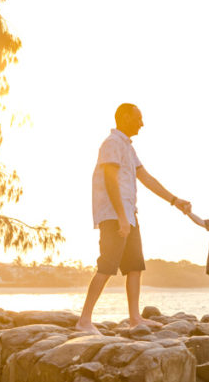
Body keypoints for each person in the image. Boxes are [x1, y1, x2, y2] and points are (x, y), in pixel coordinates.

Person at [76, 103, 191, 333]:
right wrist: (120, 217)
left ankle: (135, 317)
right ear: (125, 117)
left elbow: (145, 178)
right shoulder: (111, 144)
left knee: (135, 266)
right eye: (138, 118)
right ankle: (84, 321)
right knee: (107, 265)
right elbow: (110, 179)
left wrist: (174, 200)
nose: (142, 123)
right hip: (114, 215)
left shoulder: (128, 147)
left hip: (129, 214)